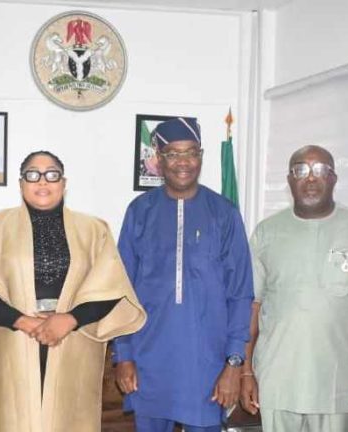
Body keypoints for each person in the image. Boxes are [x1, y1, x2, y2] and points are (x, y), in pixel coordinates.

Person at [0, 150, 146, 432]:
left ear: (63, 183)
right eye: (33, 174)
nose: (43, 181)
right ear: (21, 183)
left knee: (70, 419)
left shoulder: (93, 230)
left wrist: (69, 319)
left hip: (74, 340)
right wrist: (24, 321)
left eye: (51, 174)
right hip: (13, 339)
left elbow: (110, 288)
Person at [113, 117, 253, 432]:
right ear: (159, 159)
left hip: (207, 366)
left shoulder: (224, 213)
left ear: (201, 156)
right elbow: (121, 291)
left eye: (190, 152)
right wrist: (123, 355)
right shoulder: (140, 212)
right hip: (149, 363)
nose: (183, 162)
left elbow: (241, 294)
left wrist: (233, 364)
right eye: (173, 154)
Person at [242, 145, 348, 432]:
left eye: (320, 170)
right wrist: (247, 371)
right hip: (277, 382)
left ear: (334, 178)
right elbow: (252, 306)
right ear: (289, 180)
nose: (310, 178)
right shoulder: (267, 232)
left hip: (339, 385)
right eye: (300, 170)